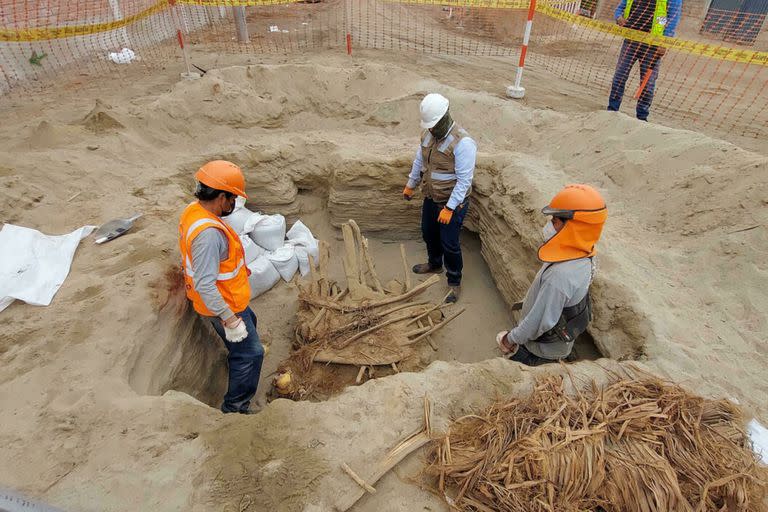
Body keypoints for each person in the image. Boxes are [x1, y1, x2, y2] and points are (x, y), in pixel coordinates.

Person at [178, 160, 264, 414]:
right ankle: (236, 408)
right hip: (221, 305)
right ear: (221, 196)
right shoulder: (208, 235)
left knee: (252, 325)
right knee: (252, 354)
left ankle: (239, 356)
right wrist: (230, 319)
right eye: (233, 199)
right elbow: (205, 284)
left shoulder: (196, 211)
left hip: (229, 300)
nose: (233, 205)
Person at [496, 184, 608, 366]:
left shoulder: (561, 276)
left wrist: (509, 339)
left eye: (554, 221)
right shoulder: (583, 253)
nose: (548, 226)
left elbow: (538, 322)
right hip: (558, 340)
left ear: (573, 227)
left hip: (539, 352)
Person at [403, 93, 477, 304]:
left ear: (445, 117)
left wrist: (450, 208)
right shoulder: (427, 136)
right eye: (430, 125)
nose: (432, 129)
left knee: (450, 244)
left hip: (452, 203)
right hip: (431, 197)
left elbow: (464, 182)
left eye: (435, 125)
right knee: (429, 233)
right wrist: (411, 184)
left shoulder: (463, 143)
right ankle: (435, 263)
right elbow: (420, 161)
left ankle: (454, 282)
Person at [607, 0, 681, 121]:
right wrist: (619, 17)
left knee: (648, 84)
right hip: (631, 40)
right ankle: (612, 110)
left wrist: (664, 42)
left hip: (653, 45)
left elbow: (672, 19)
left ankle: (642, 117)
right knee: (619, 77)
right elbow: (621, 7)